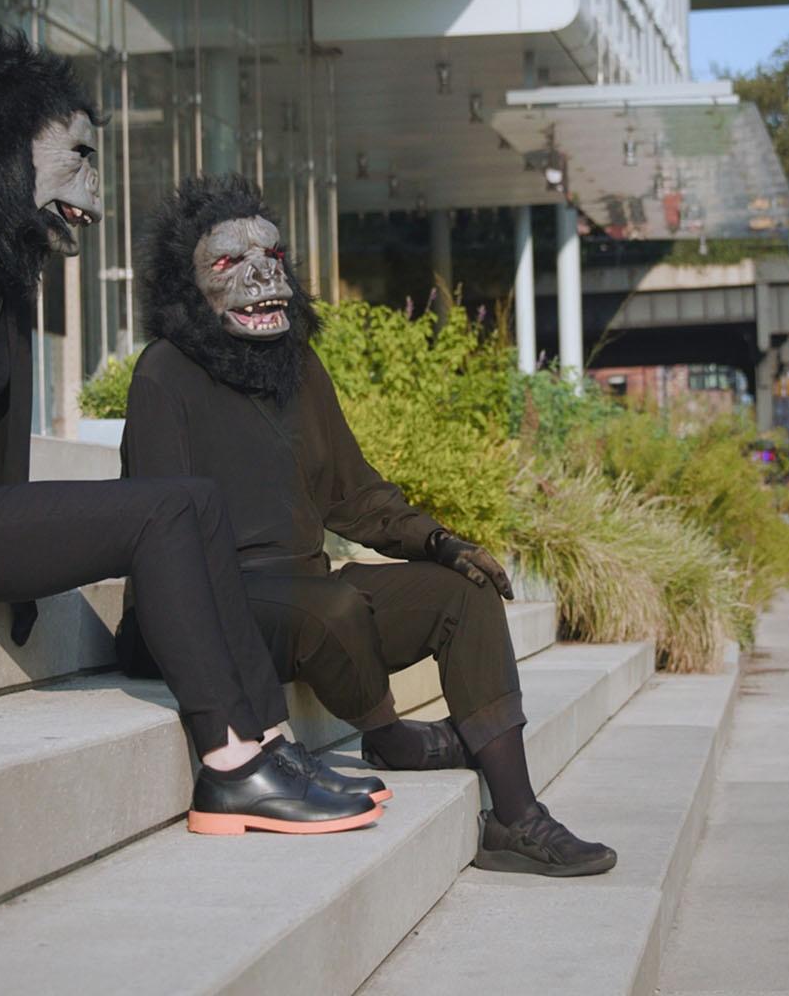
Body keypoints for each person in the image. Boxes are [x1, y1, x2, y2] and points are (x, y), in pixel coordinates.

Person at [0, 32, 381, 837]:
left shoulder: (4, 269)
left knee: (193, 502)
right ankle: (229, 767)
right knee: (166, 510)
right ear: (1, 146)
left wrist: (24, 570)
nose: (93, 186)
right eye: (77, 157)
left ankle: (263, 738)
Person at [114, 175, 617, 878]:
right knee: (333, 604)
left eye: (274, 255)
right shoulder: (162, 375)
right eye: (229, 261)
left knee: (462, 595)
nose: (264, 274)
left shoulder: (299, 368)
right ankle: (390, 739)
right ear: (186, 284)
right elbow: (156, 538)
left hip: (307, 598)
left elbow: (353, 494)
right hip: (212, 606)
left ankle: (515, 816)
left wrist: (442, 543)